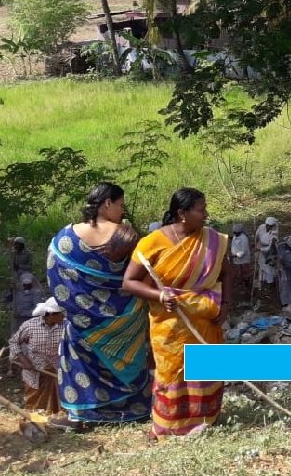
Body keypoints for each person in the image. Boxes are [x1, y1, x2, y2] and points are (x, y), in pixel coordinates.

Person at [123, 188, 231, 439]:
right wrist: (160, 295)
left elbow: (227, 274)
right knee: (172, 372)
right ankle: (167, 427)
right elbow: (129, 282)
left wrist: (226, 306)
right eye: (200, 209)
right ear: (182, 214)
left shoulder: (212, 240)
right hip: (169, 325)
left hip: (205, 320)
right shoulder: (152, 243)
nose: (206, 214)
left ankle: (206, 420)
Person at [46, 182, 151, 431]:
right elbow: (139, 271)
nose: (122, 211)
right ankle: (134, 411)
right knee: (128, 359)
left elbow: (55, 272)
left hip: (83, 318)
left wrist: (78, 306)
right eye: (120, 205)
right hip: (124, 315)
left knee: (80, 361)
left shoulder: (66, 238)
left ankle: (82, 416)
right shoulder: (125, 234)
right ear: (107, 203)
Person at [8, 297, 65, 414]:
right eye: (61, 314)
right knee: (35, 405)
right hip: (35, 372)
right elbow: (14, 342)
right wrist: (23, 359)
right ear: (52, 314)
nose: (64, 316)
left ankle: (55, 420)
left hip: (58, 371)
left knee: (60, 402)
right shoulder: (30, 326)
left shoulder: (66, 326)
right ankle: (35, 422)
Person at [255, 217, 279, 292]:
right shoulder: (261, 227)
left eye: (270, 226)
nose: (268, 227)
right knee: (261, 266)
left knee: (269, 268)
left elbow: (271, 247)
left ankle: (270, 283)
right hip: (261, 248)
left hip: (269, 252)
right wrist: (256, 244)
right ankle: (262, 281)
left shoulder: (275, 232)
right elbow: (257, 236)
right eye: (267, 225)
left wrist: (261, 249)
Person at [229, 223, 253, 301]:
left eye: (235, 232)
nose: (234, 233)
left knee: (245, 276)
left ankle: (248, 291)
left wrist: (234, 256)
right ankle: (241, 289)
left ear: (239, 232)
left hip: (243, 261)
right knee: (238, 276)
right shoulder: (235, 236)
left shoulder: (244, 239)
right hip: (236, 261)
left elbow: (243, 251)